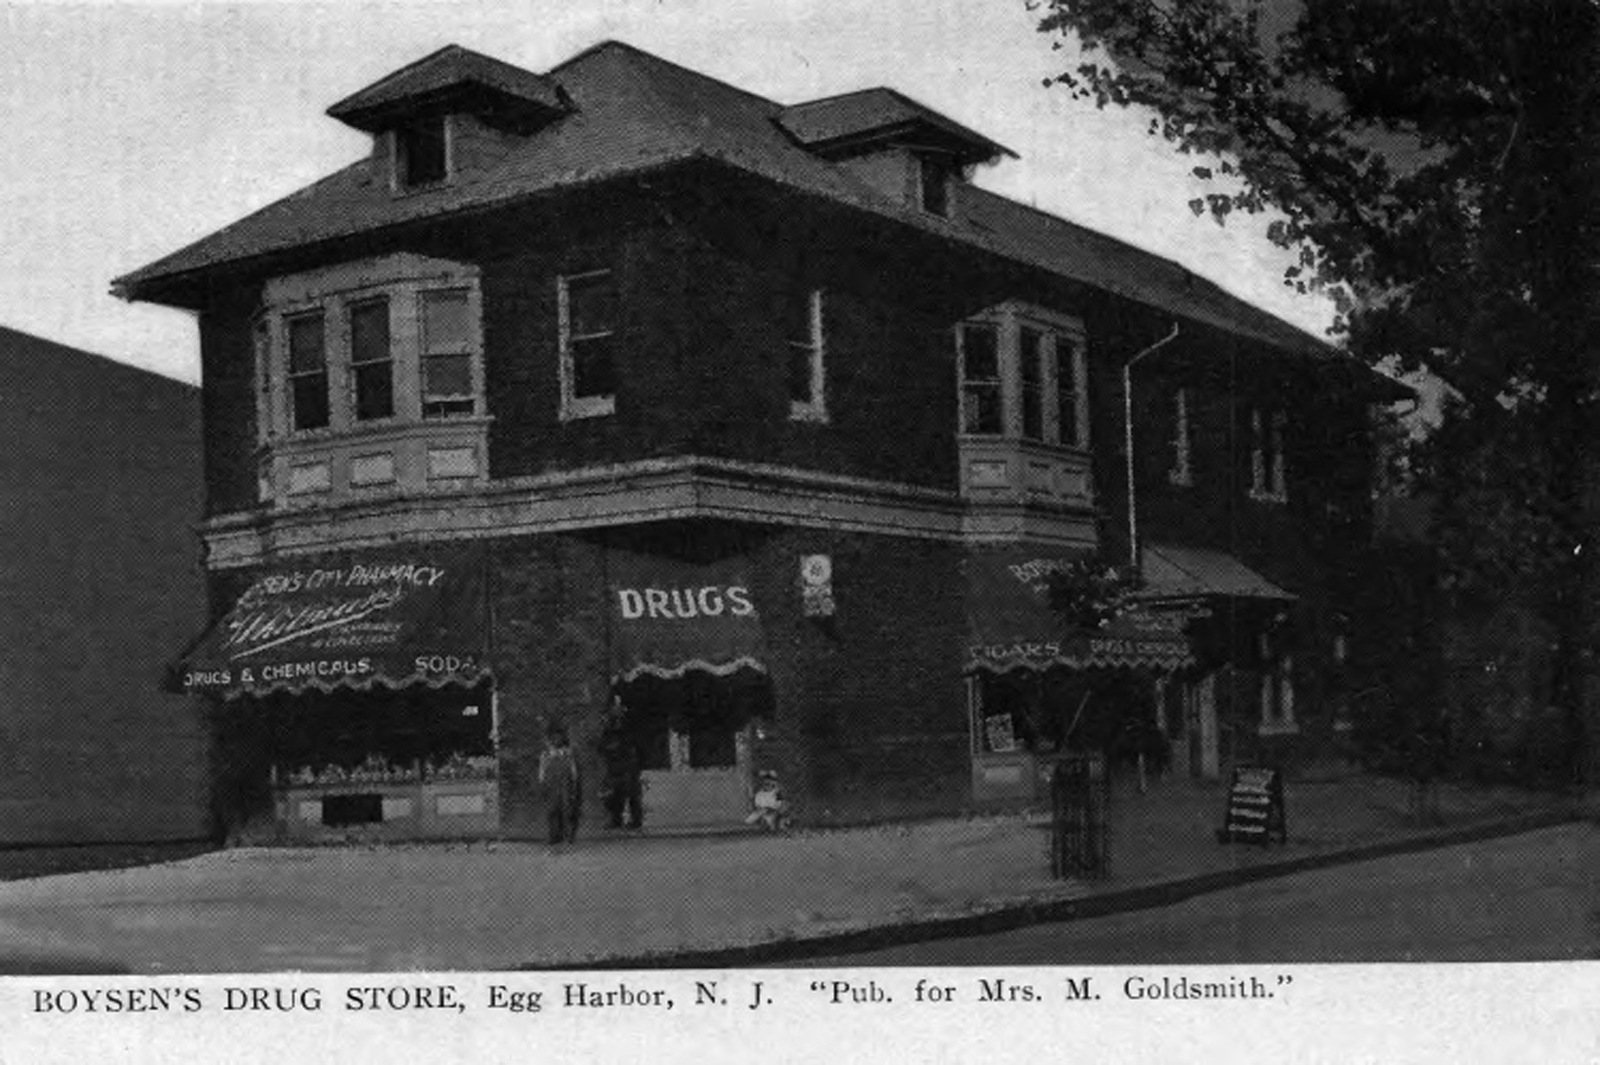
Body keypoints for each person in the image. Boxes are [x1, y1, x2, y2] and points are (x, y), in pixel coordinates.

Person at [599, 696, 644, 830]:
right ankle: (616, 819)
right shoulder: (608, 725)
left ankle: (636, 821)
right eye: (613, 708)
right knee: (614, 793)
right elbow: (602, 744)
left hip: (628, 762)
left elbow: (634, 741)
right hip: (614, 763)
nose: (615, 710)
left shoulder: (629, 722)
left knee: (632, 792)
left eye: (618, 707)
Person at [538, 723, 581, 845]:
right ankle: (553, 836)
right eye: (553, 738)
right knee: (552, 811)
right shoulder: (546, 755)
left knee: (567, 810)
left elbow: (573, 772)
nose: (556, 740)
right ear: (550, 740)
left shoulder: (568, 753)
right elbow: (541, 772)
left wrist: (573, 785)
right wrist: (543, 784)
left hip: (565, 786)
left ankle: (568, 836)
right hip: (551, 786)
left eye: (559, 737)